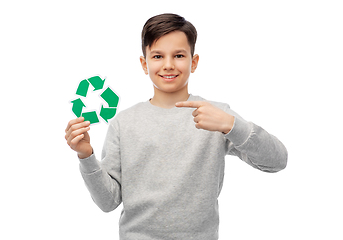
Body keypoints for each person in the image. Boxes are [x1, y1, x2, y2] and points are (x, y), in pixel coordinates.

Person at [65, 13, 288, 240]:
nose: (168, 65)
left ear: (194, 62)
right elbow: (108, 202)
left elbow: (277, 161)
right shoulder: (124, 123)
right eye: (158, 56)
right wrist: (86, 156)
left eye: (179, 55)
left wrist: (232, 125)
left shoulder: (215, 115)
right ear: (144, 64)